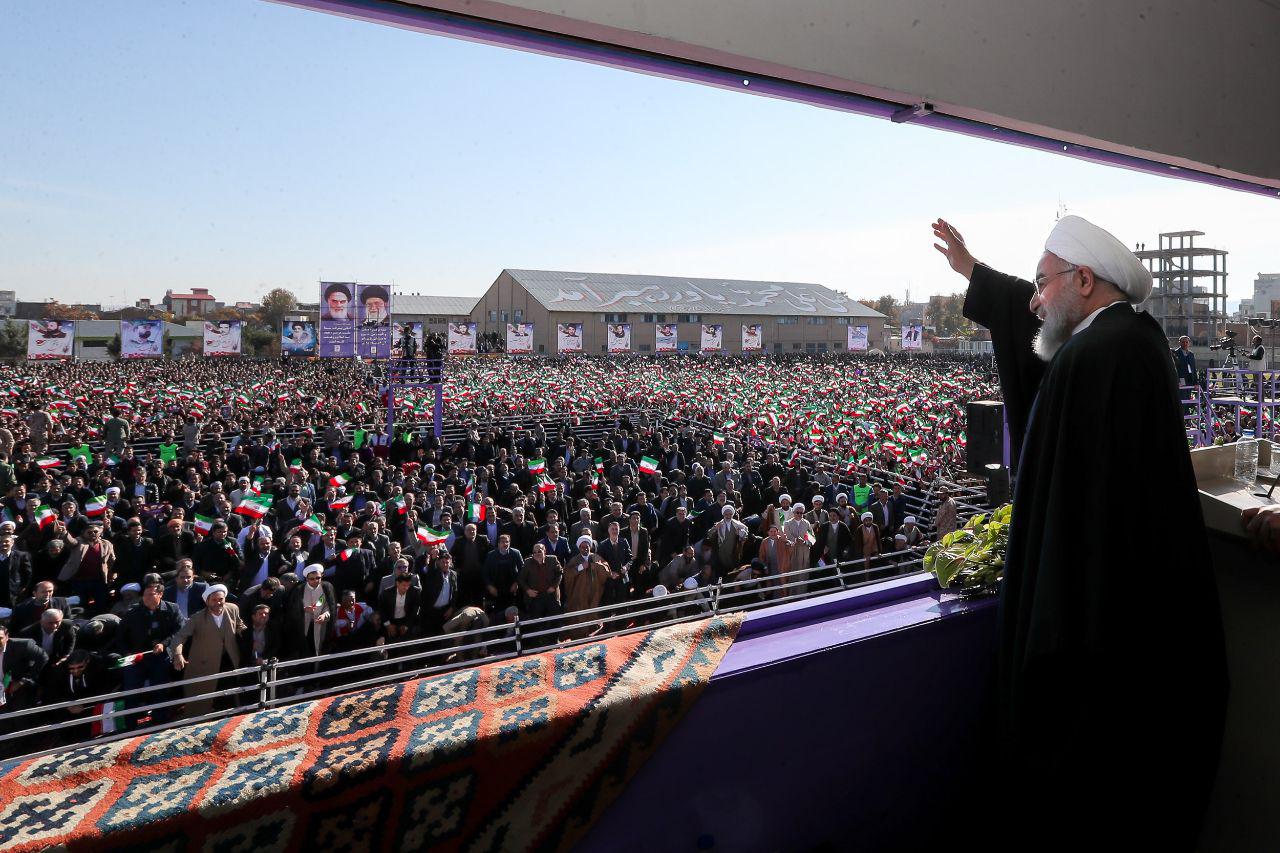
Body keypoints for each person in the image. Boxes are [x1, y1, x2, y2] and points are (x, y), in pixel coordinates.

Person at [933, 215, 1227, 849]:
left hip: (1096, 658)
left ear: (1084, 280)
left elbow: (1073, 526)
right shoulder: (1128, 341)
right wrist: (975, 273)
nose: (1034, 300)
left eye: (1043, 282)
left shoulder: (1096, 358)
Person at [167, 584, 245, 718]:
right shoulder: (197, 618)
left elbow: (239, 625)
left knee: (228, 691)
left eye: (220, 599)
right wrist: (178, 654)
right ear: (207, 601)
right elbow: (179, 637)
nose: (218, 603)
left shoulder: (233, 609)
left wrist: (250, 634)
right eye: (214, 600)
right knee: (203, 693)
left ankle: (229, 718)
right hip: (206, 662)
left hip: (229, 658)